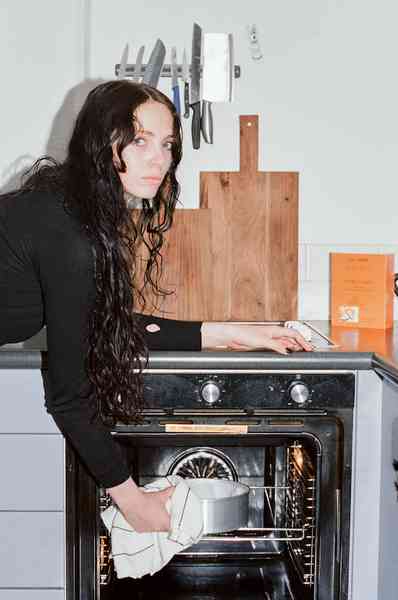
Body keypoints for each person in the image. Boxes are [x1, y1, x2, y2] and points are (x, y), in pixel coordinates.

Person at [0, 80, 312, 534]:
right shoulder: (68, 232)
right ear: (99, 143)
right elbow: (71, 396)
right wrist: (134, 502)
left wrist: (232, 334)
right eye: (139, 140)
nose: (158, 159)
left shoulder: (68, 210)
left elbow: (103, 324)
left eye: (166, 144)